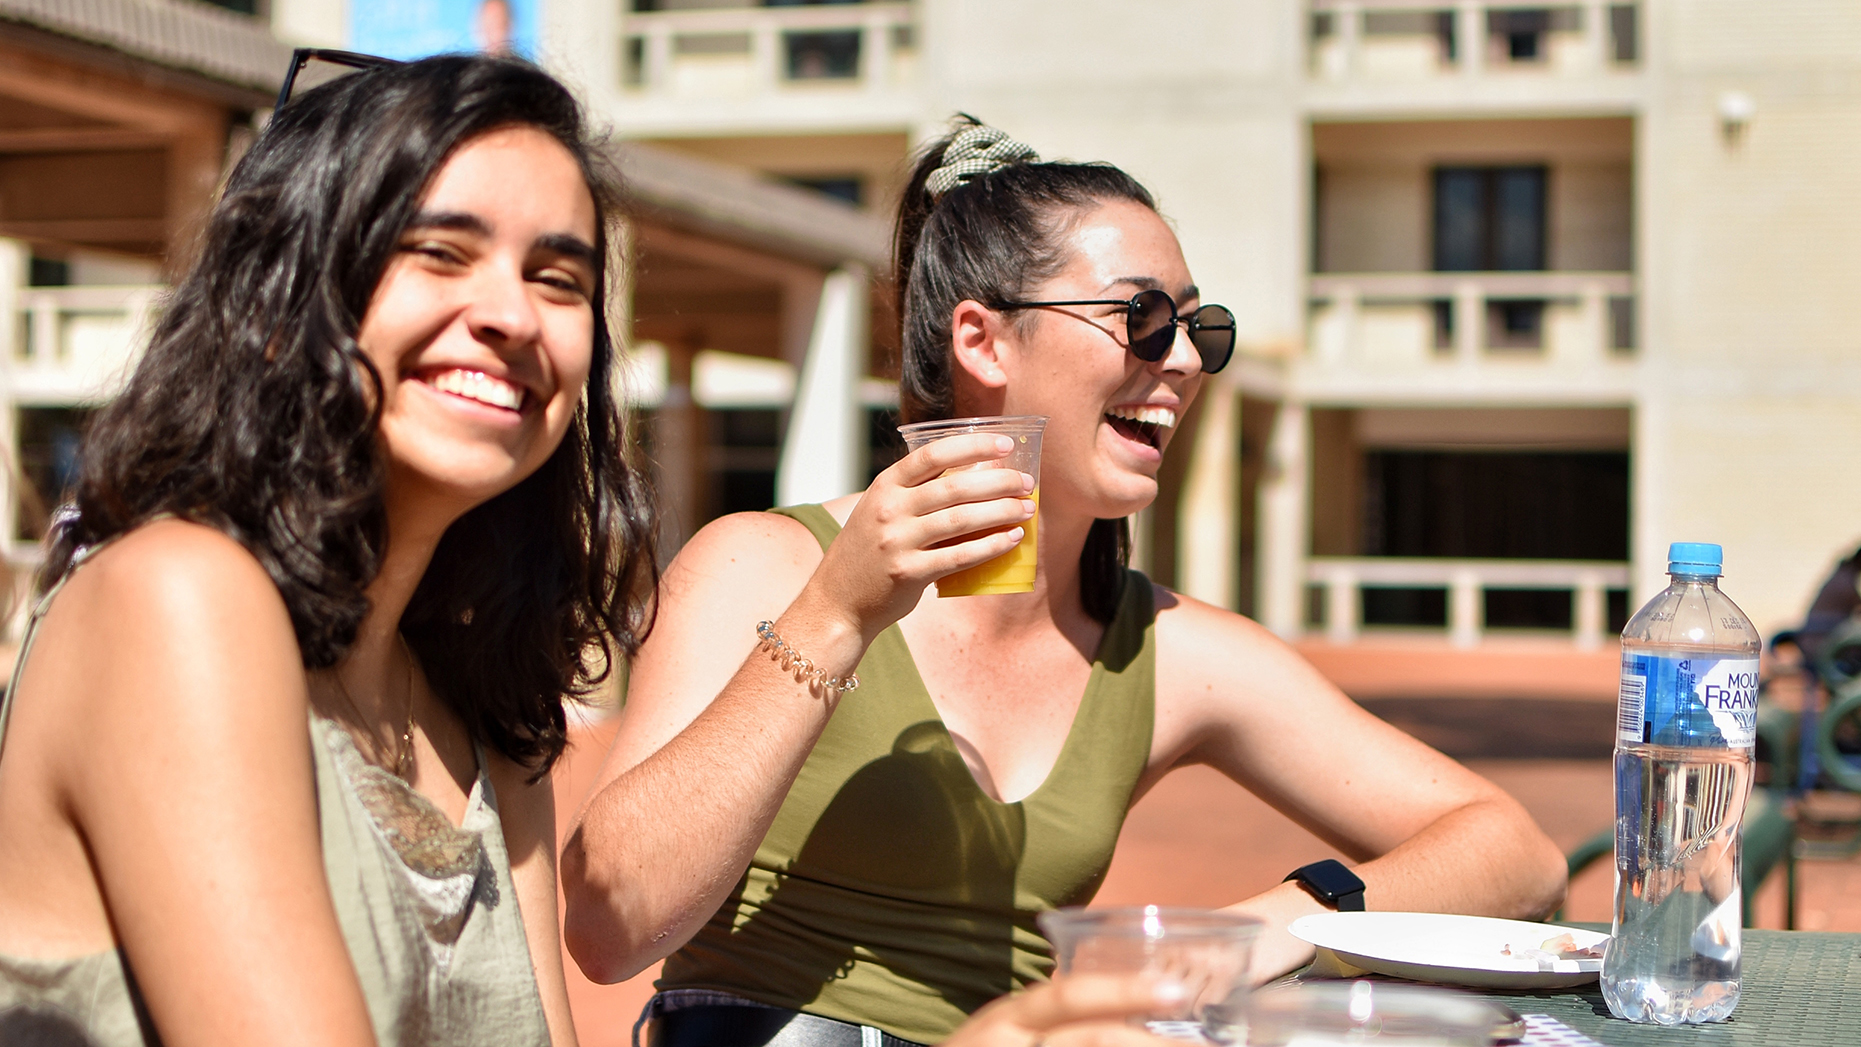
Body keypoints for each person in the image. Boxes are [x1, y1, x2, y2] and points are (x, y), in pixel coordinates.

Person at [0, 59, 1185, 1047]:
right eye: (441, 252)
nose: (513, 315)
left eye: (557, 276)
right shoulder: (175, 599)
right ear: (285, 296)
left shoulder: (477, 714)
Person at [561, 119, 1569, 1047]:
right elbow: (614, 924)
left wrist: (1273, 930)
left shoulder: (1169, 652)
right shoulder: (764, 566)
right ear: (983, 341)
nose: (1182, 362)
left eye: (1195, 330)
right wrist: (836, 617)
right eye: (1141, 317)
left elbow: (1516, 855)